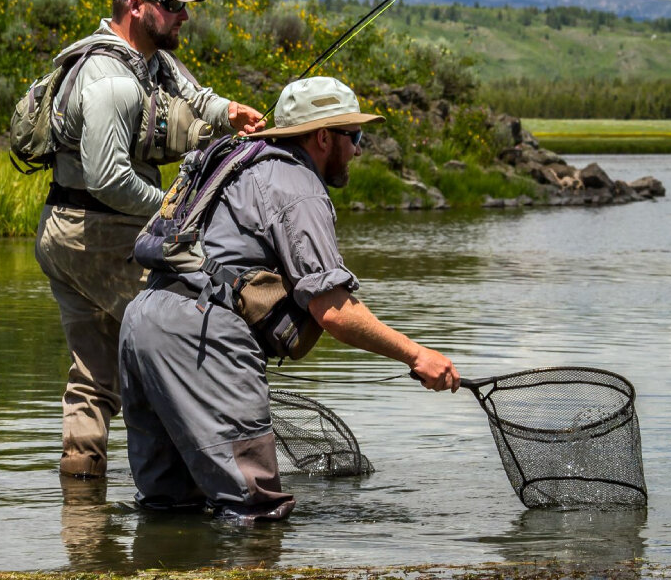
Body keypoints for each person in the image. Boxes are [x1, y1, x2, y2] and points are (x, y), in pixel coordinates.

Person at [118, 76, 460, 520]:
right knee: (254, 512)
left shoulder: (237, 160)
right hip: (202, 336)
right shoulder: (296, 182)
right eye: (354, 136)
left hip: (144, 319)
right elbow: (333, 310)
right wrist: (417, 355)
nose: (359, 148)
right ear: (322, 137)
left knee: (169, 507)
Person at [35, 0, 264, 479]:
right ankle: (198, 483)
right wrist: (175, 211)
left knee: (93, 377)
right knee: (185, 332)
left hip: (66, 231)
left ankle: (83, 517)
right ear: (137, 6)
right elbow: (109, 178)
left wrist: (230, 113)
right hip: (93, 233)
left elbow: (194, 95)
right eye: (173, 6)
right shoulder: (110, 81)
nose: (185, 16)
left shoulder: (151, 60)